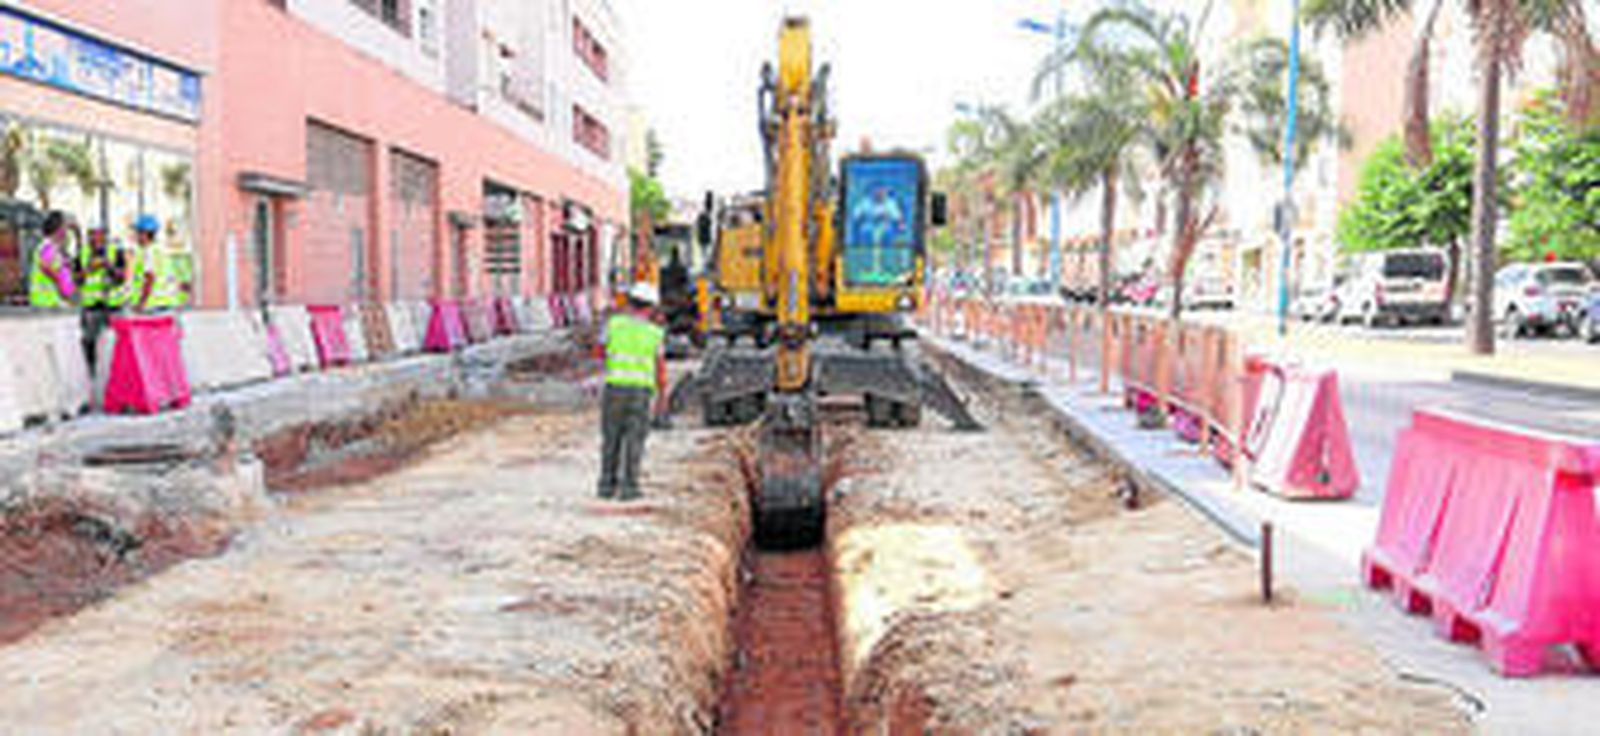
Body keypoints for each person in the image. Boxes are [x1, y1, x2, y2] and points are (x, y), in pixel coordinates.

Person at [597, 282, 667, 502]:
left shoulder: (613, 325)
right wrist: (662, 397)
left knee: (611, 438)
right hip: (641, 392)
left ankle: (606, 486)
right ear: (651, 308)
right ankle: (629, 488)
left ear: (629, 303)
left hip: (614, 388)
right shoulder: (655, 333)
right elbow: (660, 368)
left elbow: (599, 352)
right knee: (635, 440)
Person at [131, 214, 192, 312]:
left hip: (155, 304)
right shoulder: (161, 250)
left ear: (145, 234)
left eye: (138, 232)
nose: (136, 236)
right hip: (170, 302)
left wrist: (141, 303)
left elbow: (150, 278)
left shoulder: (149, 251)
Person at [77, 227, 117, 368]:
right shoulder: (82, 253)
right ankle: (91, 370)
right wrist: (89, 269)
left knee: (114, 341)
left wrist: (109, 266)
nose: (96, 240)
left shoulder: (114, 251)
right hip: (91, 306)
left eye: (100, 236)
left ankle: (114, 371)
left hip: (111, 304)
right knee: (89, 341)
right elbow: (75, 278)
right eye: (93, 236)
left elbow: (122, 276)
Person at [28, 211, 77, 309]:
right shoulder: (48, 246)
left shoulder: (52, 246)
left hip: (49, 299)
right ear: (58, 229)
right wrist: (60, 280)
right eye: (64, 227)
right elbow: (45, 266)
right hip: (45, 299)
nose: (66, 231)